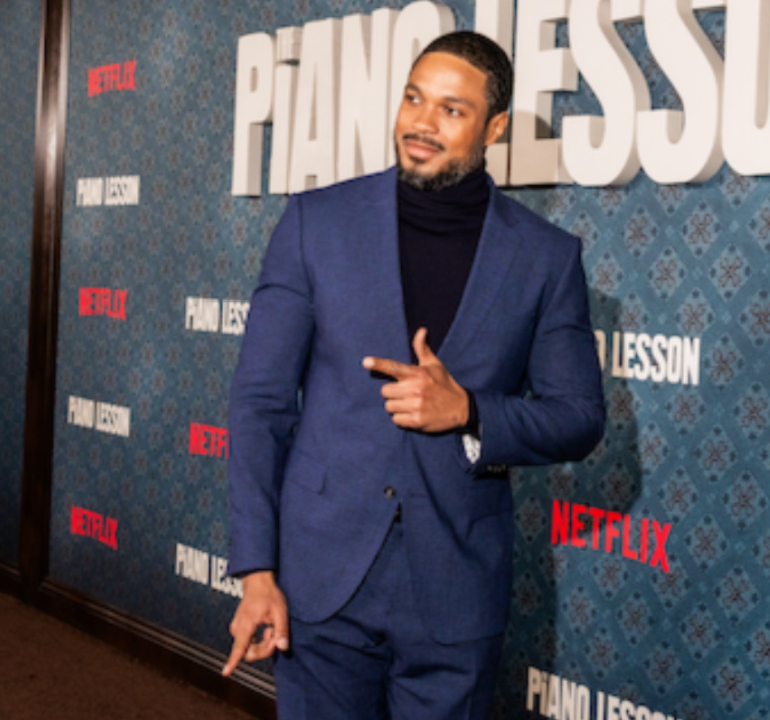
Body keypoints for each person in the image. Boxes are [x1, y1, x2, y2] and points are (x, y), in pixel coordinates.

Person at [222, 30, 605, 719]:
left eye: (452, 111)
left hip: (455, 592)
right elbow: (259, 404)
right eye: (413, 99)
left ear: (495, 127)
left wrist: (472, 412)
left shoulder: (546, 259)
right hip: (320, 582)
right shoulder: (317, 223)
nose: (422, 124)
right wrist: (256, 570)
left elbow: (579, 415)